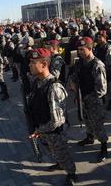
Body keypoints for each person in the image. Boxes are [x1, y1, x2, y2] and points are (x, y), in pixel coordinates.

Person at [27, 48, 77, 186]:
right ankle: (60, 164)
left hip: (54, 132)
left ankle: (71, 174)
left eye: (33, 62)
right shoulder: (37, 82)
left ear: (43, 65)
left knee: (62, 154)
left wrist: (39, 130)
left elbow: (57, 121)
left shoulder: (54, 87)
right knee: (54, 153)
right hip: (43, 130)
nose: (29, 65)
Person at [70, 37, 108, 162]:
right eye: (78, 49)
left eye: (82, 49)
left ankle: (104, 148)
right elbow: (75, 76)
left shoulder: (97, 65)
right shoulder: (80, 62)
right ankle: (89, 137)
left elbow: (101, 89)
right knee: (86, 120)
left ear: (90, 48)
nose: (79, 52)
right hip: (83, 99)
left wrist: (86, 98)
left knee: (98, 125)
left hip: (94, 102)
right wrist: (74, 86)